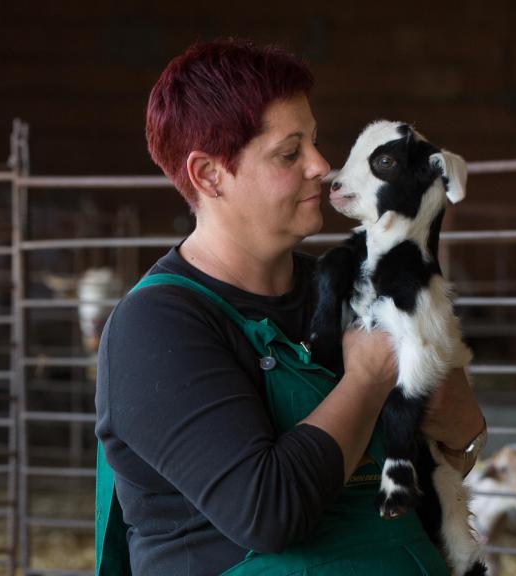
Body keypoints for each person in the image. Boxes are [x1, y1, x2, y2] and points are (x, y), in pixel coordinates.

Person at [94, 38, 487, 576]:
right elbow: (266, 514)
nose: (322, 166)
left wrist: (464, 429)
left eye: (316, 142)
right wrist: (368, 379)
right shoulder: (156, 328)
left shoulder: (350, 288)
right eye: (289, 152)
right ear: (209, 175)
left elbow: (437, 454)